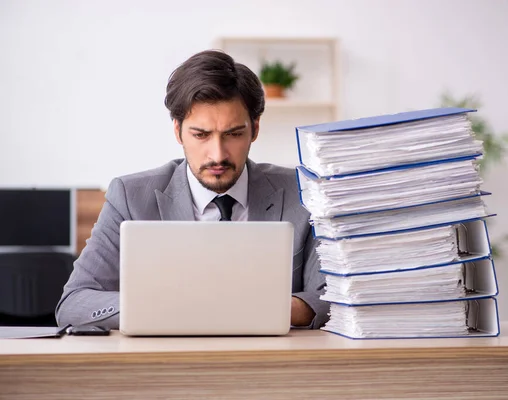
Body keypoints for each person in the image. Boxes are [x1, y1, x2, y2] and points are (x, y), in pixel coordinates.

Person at [55, 50, 328, 330]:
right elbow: (74, 303)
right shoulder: (130, 196)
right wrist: (163, 304)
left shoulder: (303, 192)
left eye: (233, 134)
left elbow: (334, 298)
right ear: (177, 131)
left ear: (255, 129)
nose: (217, 155)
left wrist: (270, 307)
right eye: (201, 135)